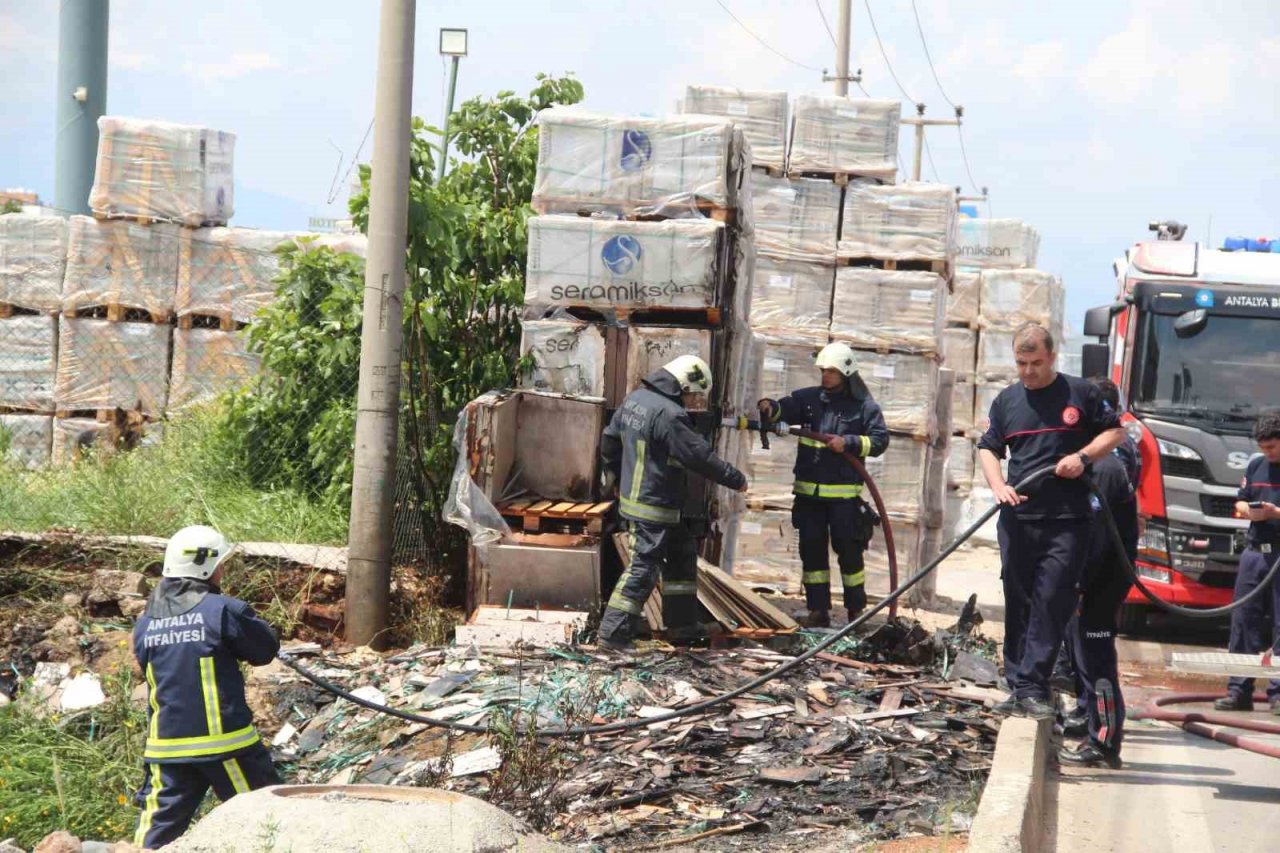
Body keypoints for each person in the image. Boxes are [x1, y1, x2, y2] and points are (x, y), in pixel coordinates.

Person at [977, 324, 1124, 719]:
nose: (1028, 371)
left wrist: (1083, 457)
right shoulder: (1007, 401)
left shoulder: (1081, 393)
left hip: (1067, 521)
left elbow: (1116, 432)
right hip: (1019, 518)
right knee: (1018, 600)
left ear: (1052, 357)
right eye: (1021, 363)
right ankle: (1019, 686)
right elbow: (988, 448)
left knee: (1052, 599)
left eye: (1036, 363)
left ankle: (1034, 685)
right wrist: (998, 486)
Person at [132, 525, 282, 849]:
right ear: (207, 567)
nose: (222, 571)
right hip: (227, 747)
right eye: (221, 565)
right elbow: (264, 650)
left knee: (153, 838)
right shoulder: (223, 610)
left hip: (166, 750)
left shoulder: (145, 622)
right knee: (266, 826)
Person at [599, 355, 748, 650]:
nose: (694, 402)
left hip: (643, 500)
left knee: (682, 552)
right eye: (694, 394)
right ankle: (613, 634)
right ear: (683, 384)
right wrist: (736, 479)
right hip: (654, 504)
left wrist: (614, 478)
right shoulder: (669, 415)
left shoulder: (636, 400)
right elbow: (699, 456)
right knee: (643, 567)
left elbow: (609, 440)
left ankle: (682, 625)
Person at [757, 342, 889, 627]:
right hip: (809, 497)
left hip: (844, 499)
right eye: (823, 370)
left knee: (850, 555)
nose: (825, 375)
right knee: (812, 553)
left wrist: (849, 442)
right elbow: (783, 410)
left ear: (846, 373)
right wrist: (769, 406)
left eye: (831, 371)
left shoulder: (864, 406)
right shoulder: (808, 400)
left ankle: (856, 611)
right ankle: (818, 611)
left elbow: (880, 441)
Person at [1058, 380, 1141, 768]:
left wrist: (1076, 585)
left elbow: (1097, 538)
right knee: (1085, 658)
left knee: (1097, 662)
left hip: (1102, 580)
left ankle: (1105, 743)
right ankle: (1094, 730)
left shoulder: (1105, 468)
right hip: (1093, 577)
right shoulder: (1096, 463)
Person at [1214, 411, 1280, 713]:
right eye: (1263, 448)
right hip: (1254, 553)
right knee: (1243, 621)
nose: (1268, 453)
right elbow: (1240, 498)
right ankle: (1239, 690)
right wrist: (1247, 510)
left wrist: (1274, 513)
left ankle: (1277, 694)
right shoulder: (1256, 465)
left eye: (1272, 447)